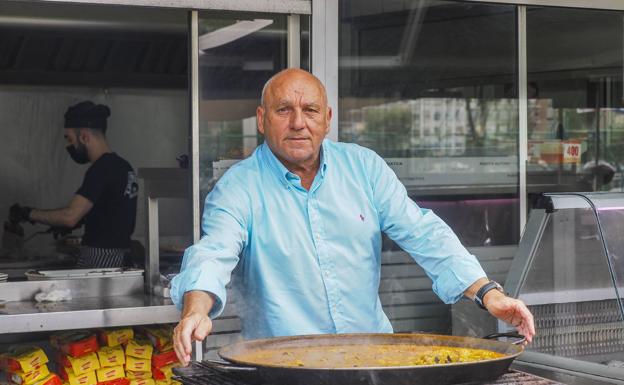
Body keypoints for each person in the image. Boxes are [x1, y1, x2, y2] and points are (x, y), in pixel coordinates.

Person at [171, 69, 535, 365]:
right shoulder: (238, 187)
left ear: (327, 119)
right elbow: (214, 253)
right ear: (262, 120)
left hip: (372, 361)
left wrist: (488, 293)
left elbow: (424, 233)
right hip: (283, 368)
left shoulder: (364, 167)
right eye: (284, 110)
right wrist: (196, 310)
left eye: (310, 110)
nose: (299, 122)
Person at [10, 100, 139, 268]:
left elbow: (70, 217)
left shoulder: (101, 169)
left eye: (69, 139)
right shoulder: (124, 166)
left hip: (100, 260)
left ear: (84, 136)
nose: (68, 145)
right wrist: (83, 220)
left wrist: (28, 214)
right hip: (121, 257)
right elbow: (113, 211)